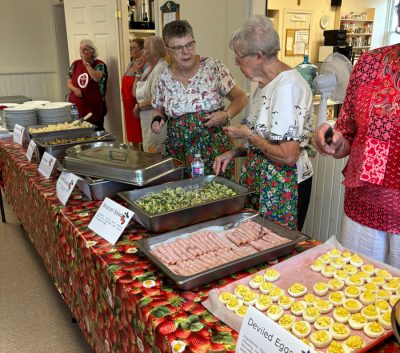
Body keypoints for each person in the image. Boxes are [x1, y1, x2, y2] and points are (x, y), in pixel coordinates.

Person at [312, 2, 400, 268]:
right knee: (356, 292)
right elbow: (348, 133)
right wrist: (333, 141)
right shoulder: (371, 64)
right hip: (365, 204)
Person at [213, 16, 314, 231]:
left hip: (283, 184)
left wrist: (248, 135)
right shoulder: (264, 84)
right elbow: (264, 140)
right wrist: (234, 152)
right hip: (263, 179)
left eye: (238, 57)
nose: (237, 63)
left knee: (276, 245)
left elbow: (288, 156)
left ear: (258, 56)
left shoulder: (288, 88)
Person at [151, 20, 247, 177]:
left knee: (218, 196)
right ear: (168, 51)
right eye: (178, 48)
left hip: (215, 149)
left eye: (189, 44)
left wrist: (226, 114)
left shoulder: (213, 67)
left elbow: (241, 97)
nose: (186, 51)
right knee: (184, 195)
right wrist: (157, 119)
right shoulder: (163, 78)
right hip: (179, 151)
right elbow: (158, 108)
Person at [133, 36, 168, 153]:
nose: (143, 51)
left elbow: (157, 99)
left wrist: (139, 106)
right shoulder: (148, 69)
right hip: (146, 120)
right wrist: (138, 73)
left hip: (157, 120)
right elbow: (135, 93)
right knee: (148, 150)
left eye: (146, 48)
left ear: (155, 50)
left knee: (156, 153)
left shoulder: (161, 68)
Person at [67, 39, 108, 130]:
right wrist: (74, 89)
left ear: (92, 51)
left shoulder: (99, 64)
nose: (82, 51)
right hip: (77, 106)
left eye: (85, 49)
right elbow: (69, 82)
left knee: (96, 130)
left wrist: (86, 63)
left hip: (94, 106)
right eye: (81, 49)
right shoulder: (75, 64)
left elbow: (96, 77)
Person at [121, 38, 144, 145]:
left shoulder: (145, 65)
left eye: (133, 48)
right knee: (131, 131)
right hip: (127, 104)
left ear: (142, 49)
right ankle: (135, 154)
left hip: (138, 102)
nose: (130, 50)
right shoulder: (130, 65)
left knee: (141, 131)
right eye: (130, 48)